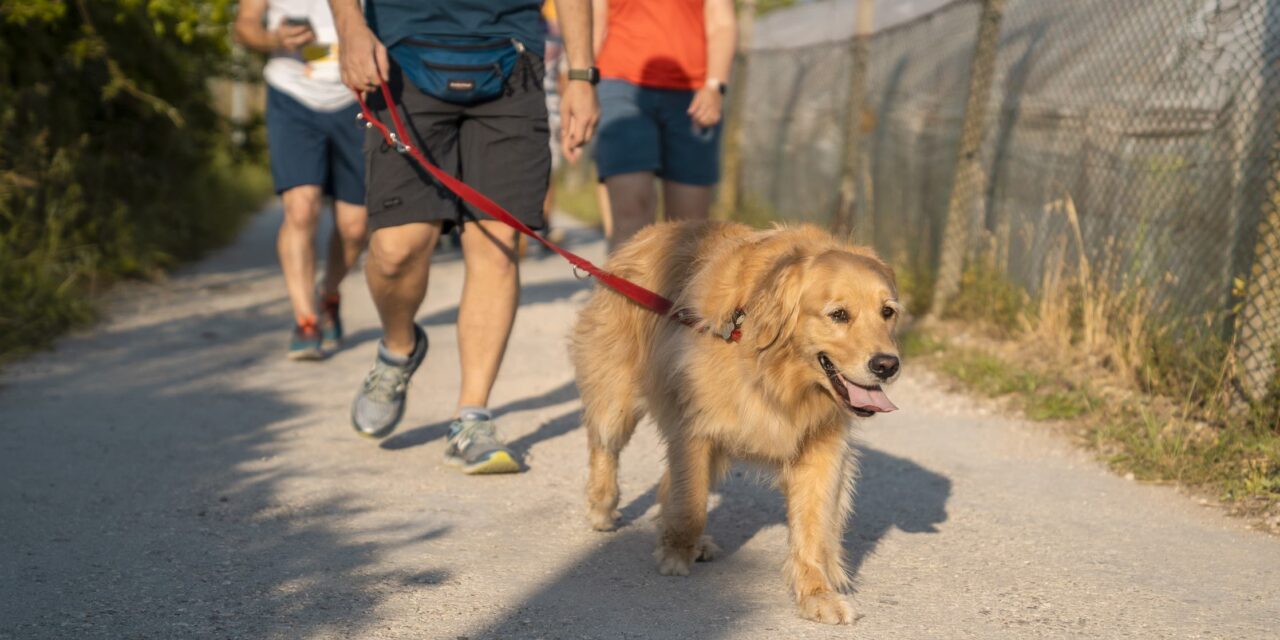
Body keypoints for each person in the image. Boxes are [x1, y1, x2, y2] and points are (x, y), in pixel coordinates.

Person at [328, 0, 599, 474]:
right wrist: (350, 28)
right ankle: (398, 348)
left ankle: (471, 417)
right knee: (396, 250)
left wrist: (582, 76)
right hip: (400, 57)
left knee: (497, 250)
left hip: (511, 63)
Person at [235, 0, 370, 360]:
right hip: (292, 94)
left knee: (355, 226)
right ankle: (306, 319)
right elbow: (244, 26)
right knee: (301, 208)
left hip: (354, 94)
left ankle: (329, 293)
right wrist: (272, 37)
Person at [591, 0, 736, 250]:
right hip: (620, 81)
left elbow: (721, 21)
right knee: (632, 208)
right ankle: (624, 287)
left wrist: (715, 86)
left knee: (689, 227)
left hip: (693, 92)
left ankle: (671, 289)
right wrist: (577, 85)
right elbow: (595, 23)